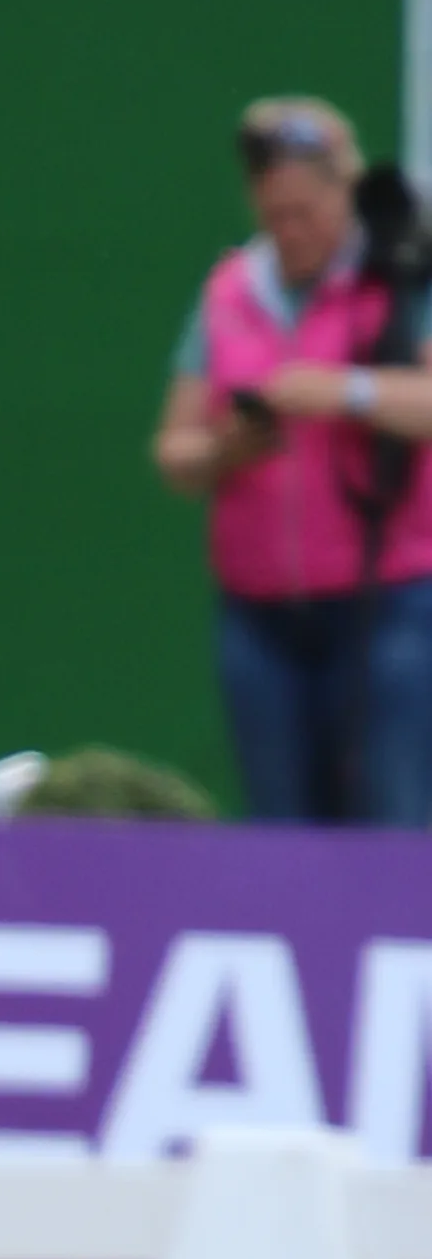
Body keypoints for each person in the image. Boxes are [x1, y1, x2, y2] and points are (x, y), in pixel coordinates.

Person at [150, 94, 432, 825]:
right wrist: (225, 448)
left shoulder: (399, 279)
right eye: (275, 213)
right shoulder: (230, 293)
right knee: (282, 827)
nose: (291, 231)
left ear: (346, 189)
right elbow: (174, 452)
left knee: (389, 809)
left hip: (390, 597)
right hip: (262, 611)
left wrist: (346, 390)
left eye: (307, 211)